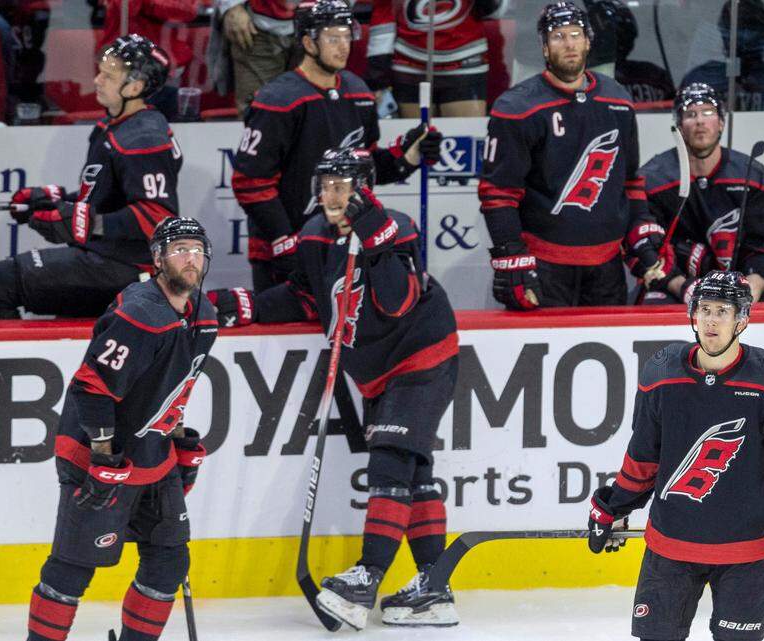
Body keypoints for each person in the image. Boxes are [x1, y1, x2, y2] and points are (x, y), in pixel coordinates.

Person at [208, 147, 459, 630]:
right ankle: (434, 586)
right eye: (326, 185)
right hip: (375, 369)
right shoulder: (314, 236)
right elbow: (306, 295)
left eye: (342, 186)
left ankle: (368, 575)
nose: (332, 195)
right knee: (413, 467)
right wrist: (246, 305)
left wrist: (375, 239)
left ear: (364, 188)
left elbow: (399, 302)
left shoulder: (397, 226)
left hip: (421, 355)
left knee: (390, 459)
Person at [587, 270, 764, 641]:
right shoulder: (660, 373)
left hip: (747, 552)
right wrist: (614, 506)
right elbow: (643, 458)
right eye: (704, 309)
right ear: (692, 315)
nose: (711, 320)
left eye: (722, 311)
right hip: (671, 545)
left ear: (742, 319)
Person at [24, 217, 217, 641]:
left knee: (169, 562)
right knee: (74, 566)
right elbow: (90, 388)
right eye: (180, 249)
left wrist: (178, 438)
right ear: (158, 258)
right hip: (97, 453)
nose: (191, 258)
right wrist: (104, 454)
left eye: (197, 249)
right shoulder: (139, 315)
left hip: (153, 457)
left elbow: (176, 383)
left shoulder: (205, 316)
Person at [231, 0, 442, 293]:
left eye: (347, 36)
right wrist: (283, 237)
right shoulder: (278, 99)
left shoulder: (359, 93)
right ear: (308, 42)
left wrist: (406, 157)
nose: (343, 46)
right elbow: (250, 183)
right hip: (285, 250)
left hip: (346, 243)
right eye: (333, 38)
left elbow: (363, 170)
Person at [0, 34, 181, 318]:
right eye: (100, 72)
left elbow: (156, 216)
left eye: (108, 76)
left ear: (135, 86)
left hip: (128, 266)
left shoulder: (144, 137)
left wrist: (87, 223)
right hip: (104, 255)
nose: (97, 80)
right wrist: (56, 200)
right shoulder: (115, 125)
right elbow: (105, 197)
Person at [478, 1, 660, 310]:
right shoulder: (517, 107)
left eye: (576, 34)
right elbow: (498, 194)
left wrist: (641, 232)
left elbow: (630, 182)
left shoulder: (617, 99)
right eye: (559, 36)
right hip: (544, 267)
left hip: (606, 268)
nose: (569, 43)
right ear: (545, 47)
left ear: (589, 41)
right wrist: (512, 257)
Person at [639, 84, 764, 305]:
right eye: (691, 114)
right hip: (676, 285)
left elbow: (762, 249)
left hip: (736, 286)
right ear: (679, 126)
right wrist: (683, 287)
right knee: (654, 303)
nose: (700, 121)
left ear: (721, 122)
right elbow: (647, 252)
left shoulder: (752, 174)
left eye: (708, 112)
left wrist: (753, 286)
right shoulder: (654, 178)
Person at [365, 0, 506, 118]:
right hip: (410, 68)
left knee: (464, 142)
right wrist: (378, 78)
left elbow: (497, 11)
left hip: (465, 65)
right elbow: (383, 19)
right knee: (415, 142)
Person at [681, 0, 764, 112]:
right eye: (738, 32)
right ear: (723, 34)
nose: (744, 39)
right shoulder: (699, 78)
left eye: (752, 31)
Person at [97, 0, 200, 122]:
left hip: (164, 67)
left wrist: (148, 3)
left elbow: (188, 10)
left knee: (166, 124)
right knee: (122, 125)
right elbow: (128, 8)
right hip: (119, 66)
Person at [215, 0, 300, 117]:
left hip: (317, 22)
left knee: (317, 107)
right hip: (257, 25)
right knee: (256, 111)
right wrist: (232, 6)